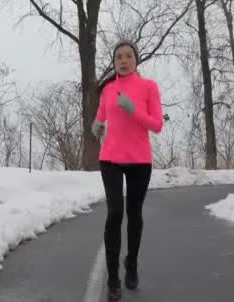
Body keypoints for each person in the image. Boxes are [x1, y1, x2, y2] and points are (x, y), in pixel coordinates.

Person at [91, 40, 164, 301]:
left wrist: (133, 110)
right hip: (110, 158)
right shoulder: (108, 90)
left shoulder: (148, 87)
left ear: (136, 60)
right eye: (118, 56)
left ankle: (130, 264)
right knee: (114, 213)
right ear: (114, 62)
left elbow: (156, 125)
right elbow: (101, 118)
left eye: (128, 56)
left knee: (134, 215)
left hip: (139, 160)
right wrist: (97, 126)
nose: (123, 60)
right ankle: (113, 279)